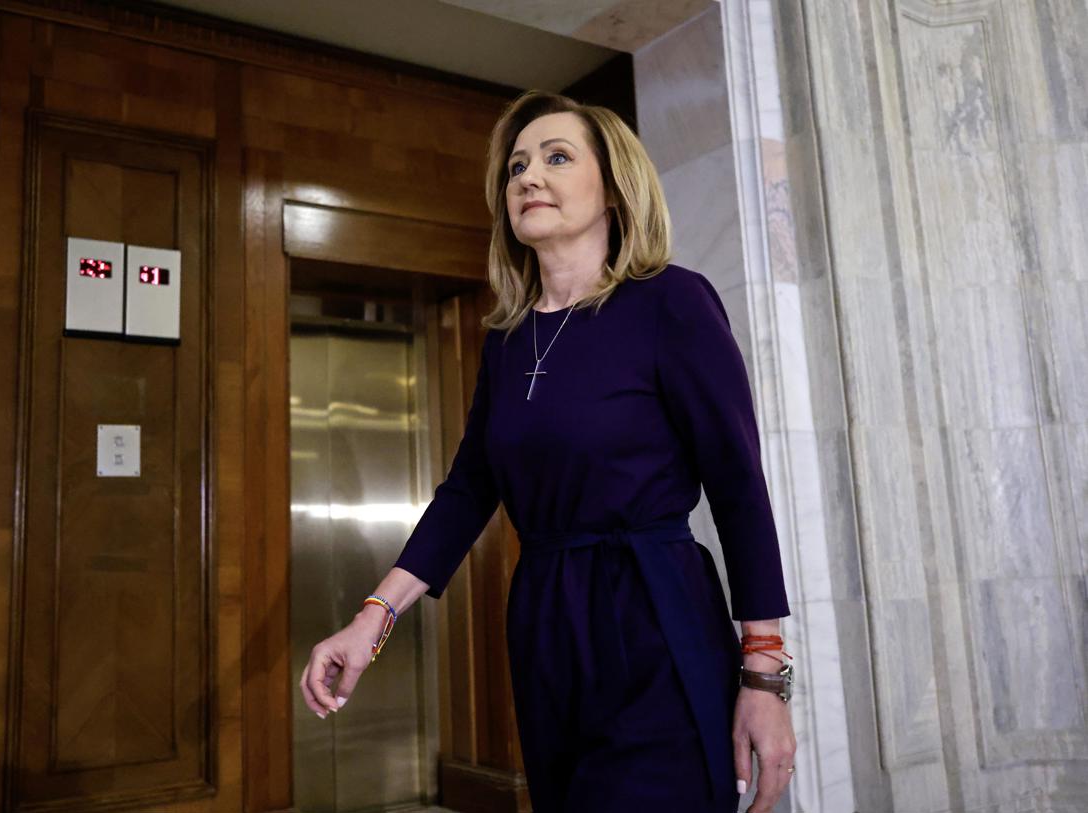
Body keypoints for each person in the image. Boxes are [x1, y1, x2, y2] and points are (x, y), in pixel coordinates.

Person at [300, 90, 797, 813]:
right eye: (516, 167)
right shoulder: (506, 338)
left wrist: (764, 677)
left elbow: (738, 485)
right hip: (544, 622)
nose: (527, 177)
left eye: (556, 158)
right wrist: (373, 616)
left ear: (614, 188)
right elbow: (469, 490)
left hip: (654, 609)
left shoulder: (672, 302)